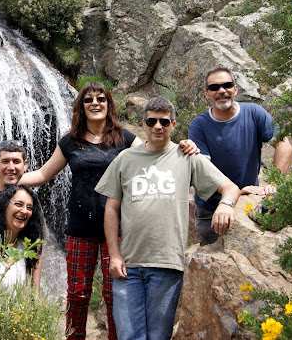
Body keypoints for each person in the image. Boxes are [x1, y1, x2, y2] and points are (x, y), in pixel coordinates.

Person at [20, 81, 198, 340]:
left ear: (108, 105)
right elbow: (43, 174)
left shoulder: (124, 138)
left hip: (117, 229)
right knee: (78, 292)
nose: (95, 103)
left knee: (115, 293)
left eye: (101, 99)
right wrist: (11, 178)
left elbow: (155, 151)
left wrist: (185, 147)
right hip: (80, 227)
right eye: (89, 99)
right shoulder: (70, 141)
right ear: (81, 106)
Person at [95, 97, 241, 340]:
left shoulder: (187, 156)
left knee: (158, 337)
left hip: (167, 266)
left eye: (164, 121)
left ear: (173, 124)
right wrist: (114, 254)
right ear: (143, 123)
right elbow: (111, 209)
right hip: (128, 267)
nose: (157, 126)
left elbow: (230, 187)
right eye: (151, 121)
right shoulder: (125, 159)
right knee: (129, 337)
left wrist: (225, 205)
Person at [188, 67, 292, 245]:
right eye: (214, 88)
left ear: (235, 89)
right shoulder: (198, 125)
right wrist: (233, 191)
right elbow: (204, 170)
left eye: (227, 85)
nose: (221, 91)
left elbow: (284, 144)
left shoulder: (254, 112)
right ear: (207, 94)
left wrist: (275, 183)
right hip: (211, 207)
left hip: (250, 201)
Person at [0, 184, 44, 291]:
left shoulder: (26, 249)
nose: (24, 211)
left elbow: (29, 298)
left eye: (29, 208)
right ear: (4, 206)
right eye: (18, 204)